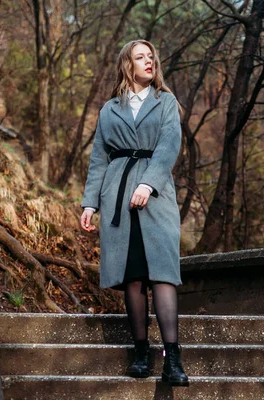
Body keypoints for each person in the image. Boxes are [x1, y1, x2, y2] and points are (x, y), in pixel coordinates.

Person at [79, 39, 188, 387]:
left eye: (151, 56)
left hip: (157, 197)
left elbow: (170, 145)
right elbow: (99, 159)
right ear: (128, 64)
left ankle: (173, 359)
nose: (149, 61)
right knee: (133, 275)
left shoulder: (166, 101)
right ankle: (141, 352)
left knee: (163, 273)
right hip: (117, 195)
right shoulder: (109, 109)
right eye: (141, 57)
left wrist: (149, 183)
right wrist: (90, 203)